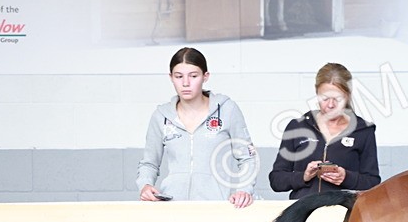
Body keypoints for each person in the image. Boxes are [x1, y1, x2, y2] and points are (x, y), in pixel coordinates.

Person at [137, 47, 257, 206]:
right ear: (171, 77)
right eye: (178, 76)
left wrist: (244, 189)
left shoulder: (227, 109)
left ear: (205, 76)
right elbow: (149, 163)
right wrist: (145, 185)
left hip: (216, 207)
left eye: (193, 76)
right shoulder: (161, 116)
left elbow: (248, 157)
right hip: (173, 207)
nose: (185, 83)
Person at [269, 63, 381, 200]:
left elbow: (373, 182)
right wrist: (304, 176)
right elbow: (276, 180)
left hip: (344, 213)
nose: (331, 105)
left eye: (338, 99)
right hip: (302, 213)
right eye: (325, 98)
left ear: (348, 96)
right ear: (317, 94)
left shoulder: (363, 131)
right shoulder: (297, 127)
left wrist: (346, 177)